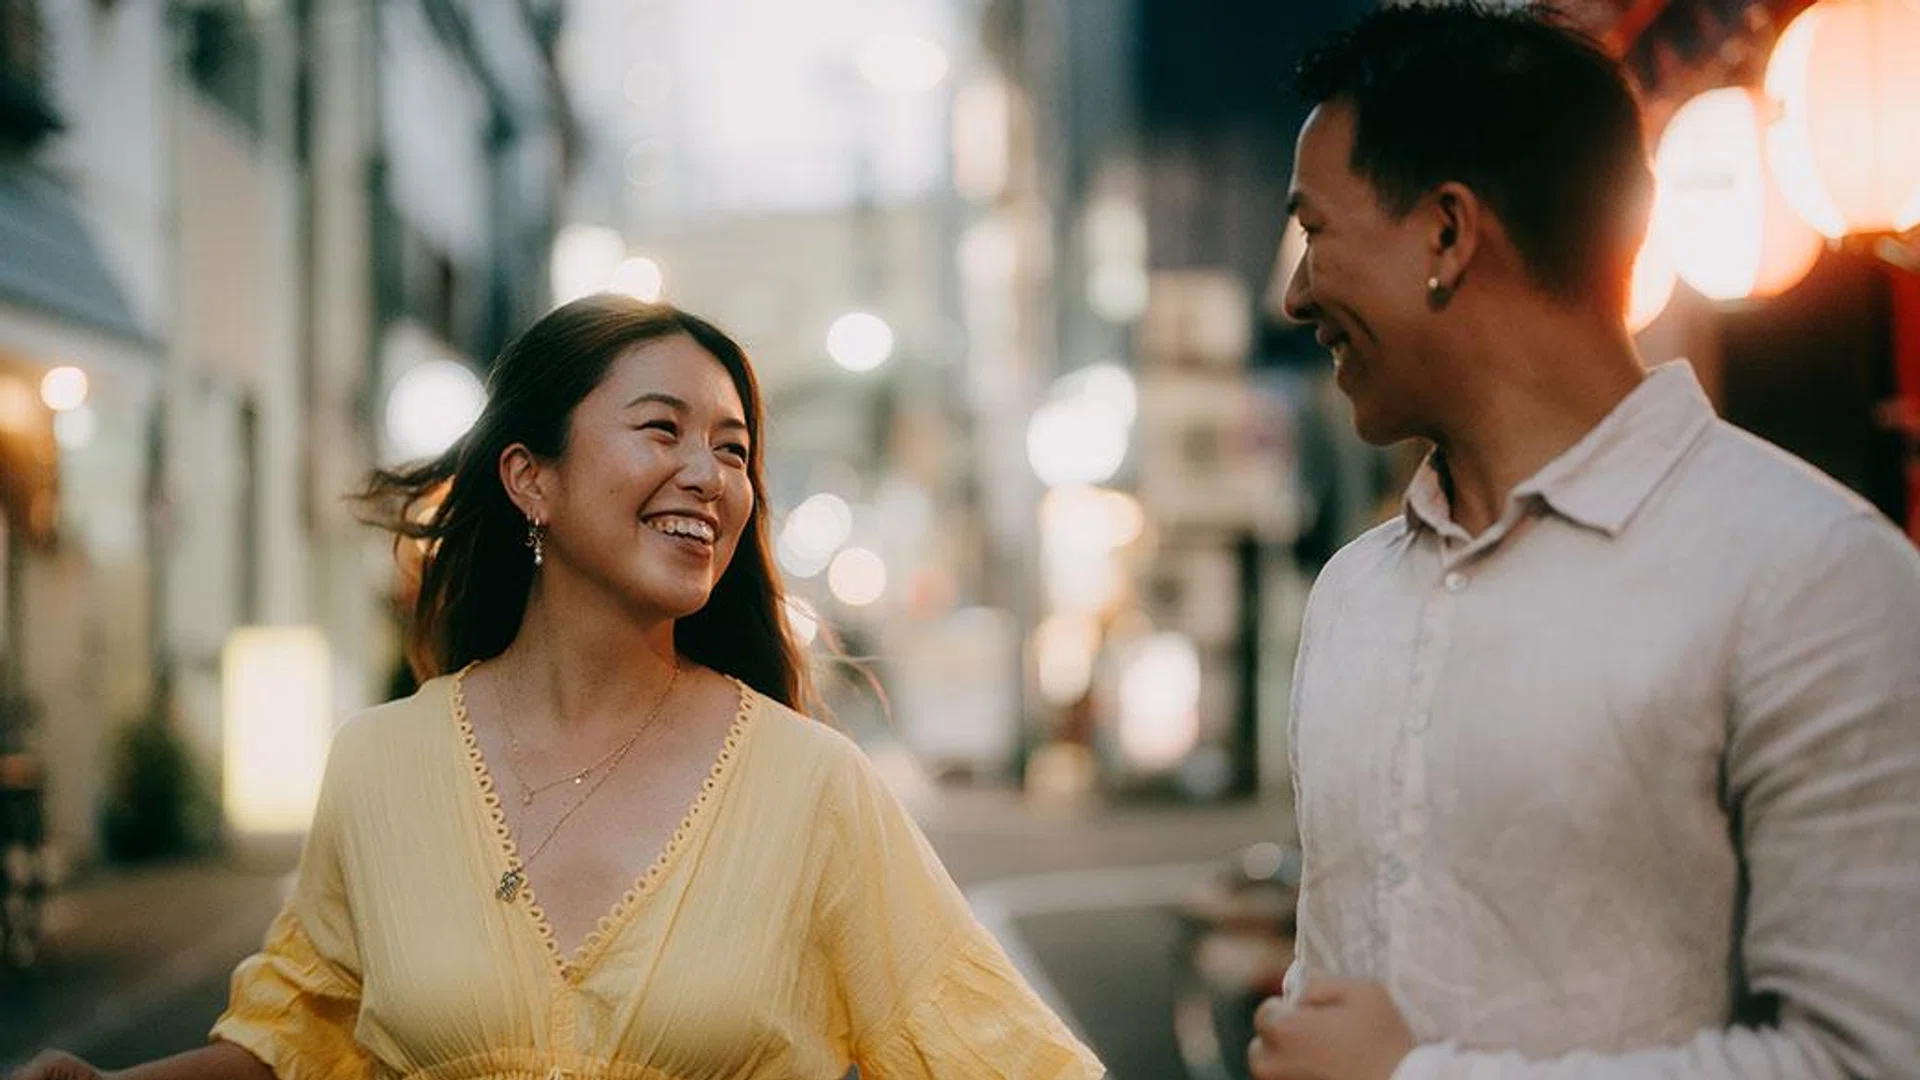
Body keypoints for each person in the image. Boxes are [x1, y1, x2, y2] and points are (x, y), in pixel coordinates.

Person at [15, 296, 1106, 1080]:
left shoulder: (813, 787)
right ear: (531, 478)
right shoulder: (382, 766)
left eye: (734, 450)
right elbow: (302, 1034)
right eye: (662, 428)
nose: (710, 476)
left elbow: (1000, 1057)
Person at [1248, 5, 1920, 1080]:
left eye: (1315, 233)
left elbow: (1870, 1057)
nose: (1295, 298)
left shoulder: (1816, 577)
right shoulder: (1351, 597)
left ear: (1447, 235)